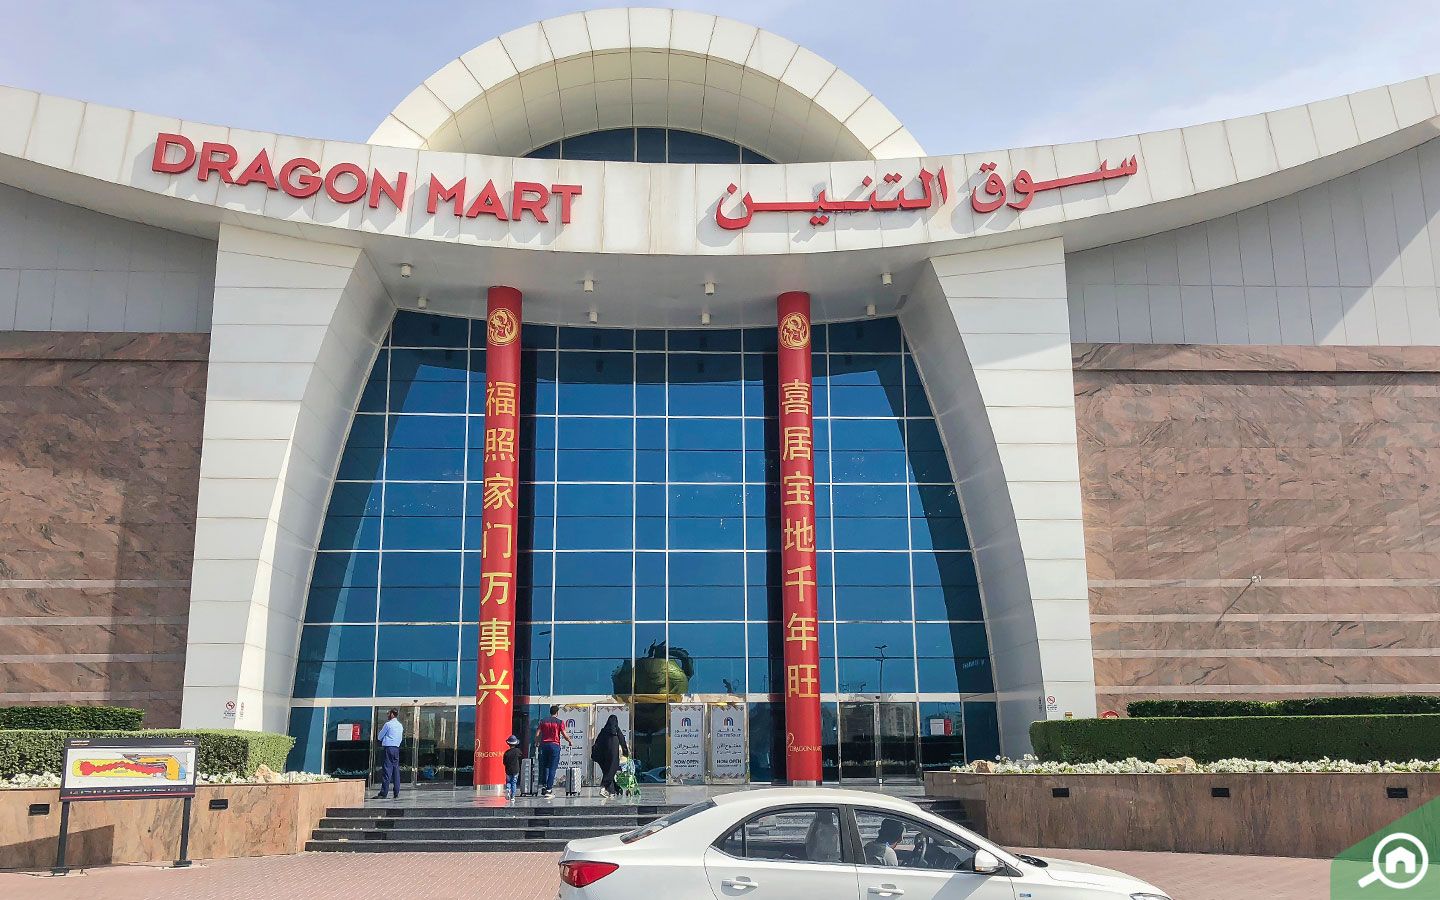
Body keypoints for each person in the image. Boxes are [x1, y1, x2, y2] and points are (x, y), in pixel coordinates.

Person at [533, 705, 573, 797]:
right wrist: (570, 741)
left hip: (544, 745)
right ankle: (549, 789)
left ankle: (544, 786)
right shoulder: (559, 722)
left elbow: (537, 733)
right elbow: (564, 734)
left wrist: (537, 742)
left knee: (545, 767)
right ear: (557, 712)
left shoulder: (543, 721)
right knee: (552, 768)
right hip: (554, 746)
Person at [591, 714, 630, 797]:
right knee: (612, 770)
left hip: (603, 756)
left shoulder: (604, 731)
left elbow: (597, 743)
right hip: (613, 756)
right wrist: (626, 753)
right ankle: (603, 787)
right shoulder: (616, 731)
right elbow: (622, 742)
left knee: (607, 771)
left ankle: (612, 790)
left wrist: (595, 754)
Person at [375, 709, 403, 800]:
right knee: (396, 770)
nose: (387, 715)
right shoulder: (400, 725)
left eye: (388, 713)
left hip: (388, 748)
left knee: (387, 770)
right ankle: (396, 792)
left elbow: (379, 737)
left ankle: (384, 793)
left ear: (392, 714)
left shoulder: (388, 724)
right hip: (396, 748)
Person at [502, 735, 523, 801]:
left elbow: (504, 762)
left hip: (508, 770)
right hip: (515, 769)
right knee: (514, 783)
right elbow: (521, 757)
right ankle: (513, 797)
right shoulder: (517, 751)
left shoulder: (506, 753)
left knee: (508, 781)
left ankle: (508, 789)